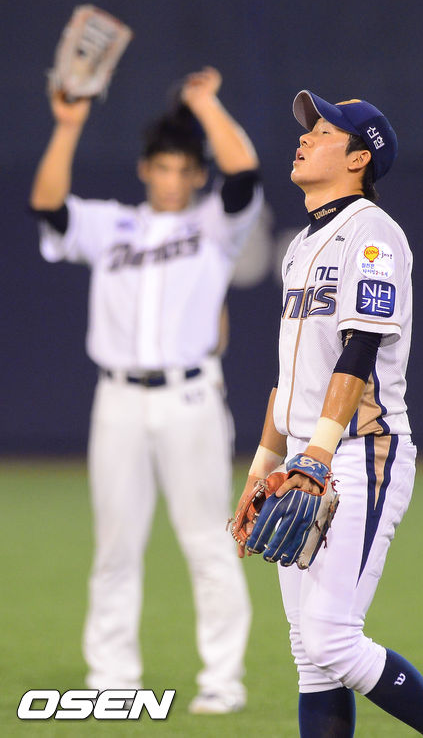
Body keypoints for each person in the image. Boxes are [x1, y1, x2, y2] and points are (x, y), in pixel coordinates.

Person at [233, 91, 423, 736]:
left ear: (358, 157)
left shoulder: (373, 234)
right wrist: (263, 466)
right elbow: (290, 378)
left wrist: (315, 456)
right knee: (310, 655)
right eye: (308, 128)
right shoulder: (300, 245)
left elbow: (361, 351)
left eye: (323, 131)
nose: (305, 137)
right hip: (305, 454)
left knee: (333, 639)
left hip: (358, 451)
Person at [30, 66, 262, 715]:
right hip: (118, 399)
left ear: (197, 175)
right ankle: (111, 678)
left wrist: (204, 104)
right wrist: (68, 124)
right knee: (115, 543)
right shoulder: (112, 226)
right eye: (162, 167)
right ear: (144, 170)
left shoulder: (216, 226)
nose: (172, 179)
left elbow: (244, 174)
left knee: (207, 540)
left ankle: (222, 680)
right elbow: (48, 207)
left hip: (190, 397)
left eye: (184, 169)